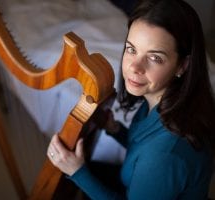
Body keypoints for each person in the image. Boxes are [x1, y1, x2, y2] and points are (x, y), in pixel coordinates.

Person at [47, 0, 215, 199]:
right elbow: (143, 147)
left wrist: (78, 172)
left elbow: (154, 154)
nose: (135, 67)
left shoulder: (165, 155)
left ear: (182, 66)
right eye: (131, 49)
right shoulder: (162, 102)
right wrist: (115, 130)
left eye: (155, 58)